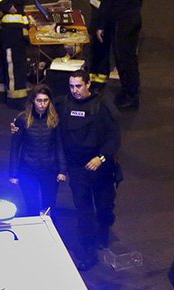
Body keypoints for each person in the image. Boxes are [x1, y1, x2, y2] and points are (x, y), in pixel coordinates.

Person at [57, 70, 121, 270]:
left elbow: (113, 137)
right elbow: (41, 116)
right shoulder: (63, 105)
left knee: (103, 207)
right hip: (77, 167)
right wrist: (18, 125)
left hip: (101, 166)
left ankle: (103, 231)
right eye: (72, 86)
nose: (75, 90)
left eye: (79, 86)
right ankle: (88, 250)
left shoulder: (102, 106)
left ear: (88, 84)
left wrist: (101, 158)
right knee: (83, 209)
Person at [8, 86, 65, 216]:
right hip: (28, 169)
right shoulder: (22, 119)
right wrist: (13, 173)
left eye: (46, 100)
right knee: (31, 206)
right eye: (39, 100)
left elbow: (59, 145)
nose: (42, 104)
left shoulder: (54, 119)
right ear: (33, 101)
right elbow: (15, 148)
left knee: (49, 205)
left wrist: (62, 170)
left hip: (49, 169)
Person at [95, 0, 142, 110]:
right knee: (130, 57)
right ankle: (131, 89)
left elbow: (108, 2)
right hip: (133, 15)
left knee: (123, 58)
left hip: (121, 19)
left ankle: (131, 95)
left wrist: (101, 24)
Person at [0, 0, 29, 108]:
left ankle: (8, 93)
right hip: (10, 28)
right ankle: (16, 99)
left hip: (15, 25)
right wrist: (6, 5)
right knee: (13, 63)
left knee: (14, 62)